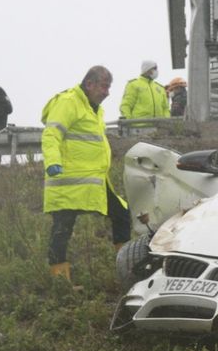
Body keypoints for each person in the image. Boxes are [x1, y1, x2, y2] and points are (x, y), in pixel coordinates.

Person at [41, 65, 131, 282]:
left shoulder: (94, 109)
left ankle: (126, 269)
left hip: (92, 182)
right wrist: (52, 162)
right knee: (62, 229)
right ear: (89, 84)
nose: (107, 92)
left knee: (122, 214)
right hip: (66, 182)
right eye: (104, 86)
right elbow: (51, 134)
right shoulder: (68, 102)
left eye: (109, 87)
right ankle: (60, 281)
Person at [120, 60, 170, 126]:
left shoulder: (160, 88)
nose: (157, 71)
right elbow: (126, 105)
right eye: (154, 69)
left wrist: (166, 122)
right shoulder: (134, 85)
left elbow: (165, 108)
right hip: (139, 128)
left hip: (159, 129)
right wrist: (129, 124)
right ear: (147, 69)